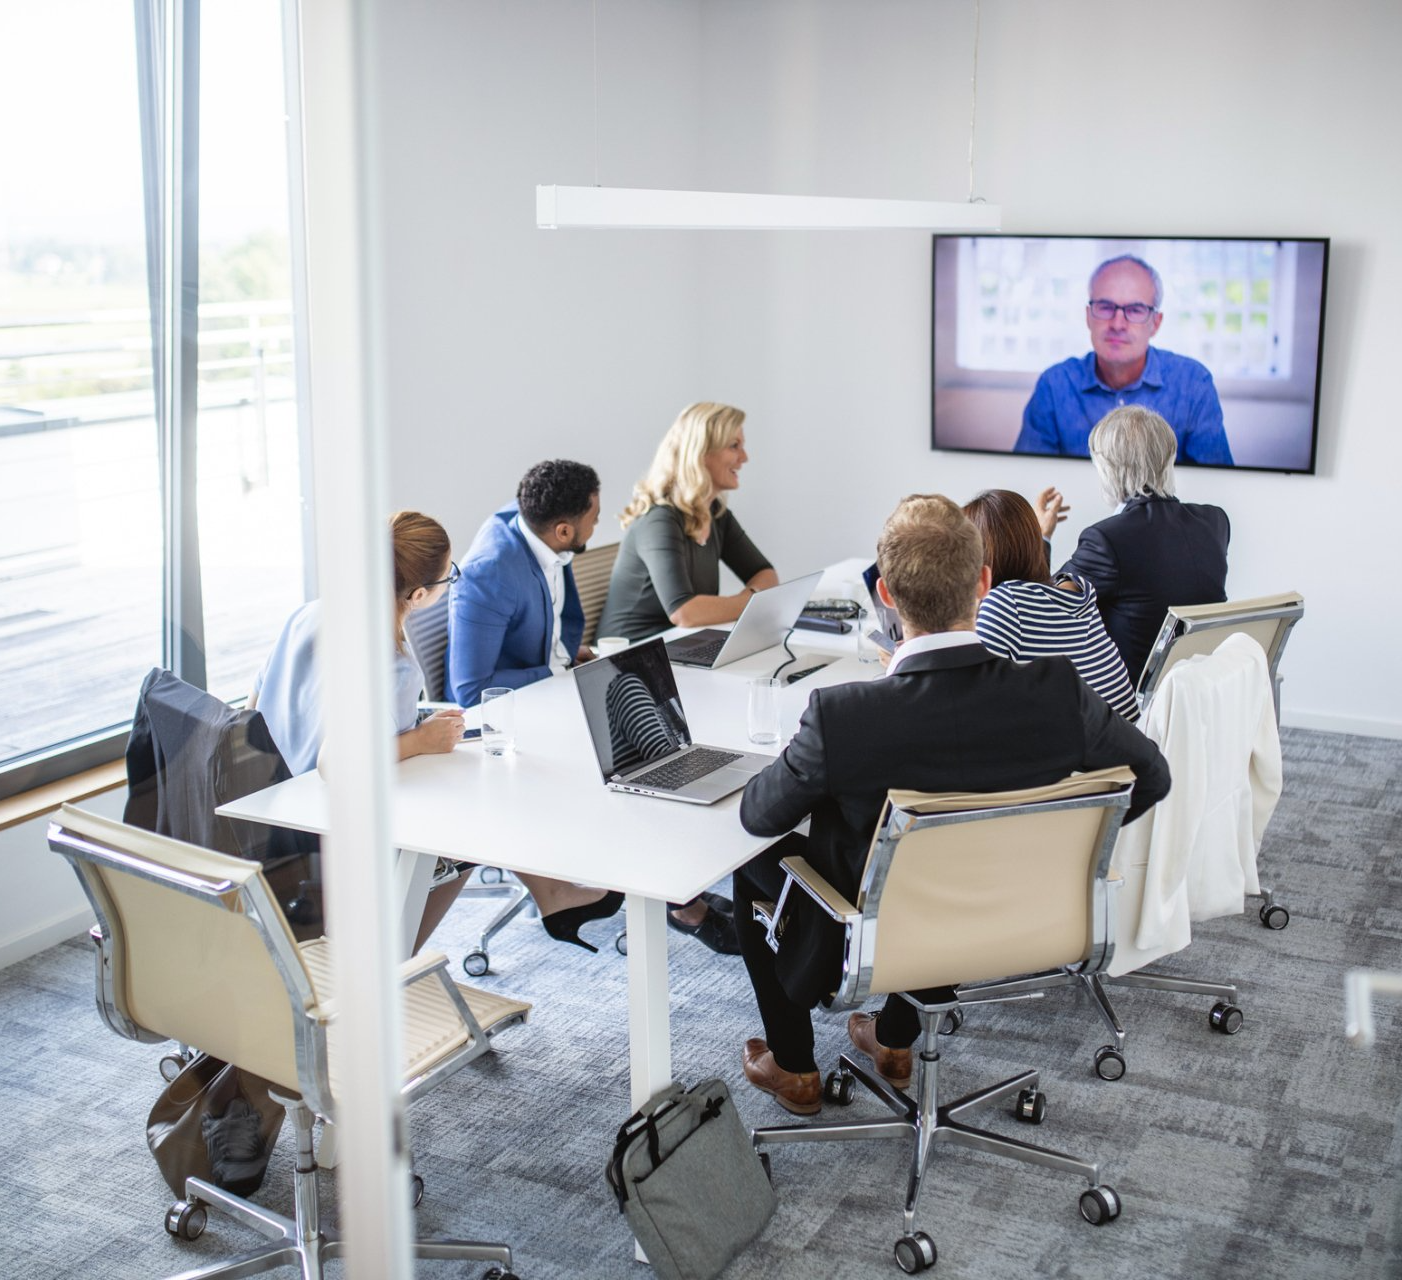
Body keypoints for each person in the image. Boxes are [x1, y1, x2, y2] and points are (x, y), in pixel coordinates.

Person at [733, 494, 1170, 1115]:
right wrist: (1067, 858)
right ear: (984, 582)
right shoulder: (1056, 694)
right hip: (1015, 914)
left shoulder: (844, 717)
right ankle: (893, 1038)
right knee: (942, 868)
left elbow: (758, 816)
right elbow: (1152, 776)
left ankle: (796, 1066)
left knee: (754, 864)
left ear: (886, 594)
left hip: (878, 937)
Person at [252, 510, 622, 953]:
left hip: (275, 806)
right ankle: (392, 960)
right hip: (335, 829)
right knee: (474, 823)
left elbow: (255, 709)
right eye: (450, 576)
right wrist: (418, 740)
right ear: (419, 594)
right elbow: (336, 763)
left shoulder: (309, 615)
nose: (452, 583)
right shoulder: (391, 666)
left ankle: (554, 897)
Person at [1048, 405, 1231, 685]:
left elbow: (1047, 608)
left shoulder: (1106, 539)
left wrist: (1041, 536)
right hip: (1199, 692)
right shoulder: (1215, 522)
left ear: (1109, 469)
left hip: (1127, 701)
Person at [1015, 254, 1234, 465]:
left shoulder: (1193, 384)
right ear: (1088, 316)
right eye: (1105, 307)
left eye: (1135, 310)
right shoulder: (1054, 385)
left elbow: (1215, 483)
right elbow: (1029, 478)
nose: (1117, 324)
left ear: (1156, 323)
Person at [597, 401, 779, 642]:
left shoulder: (716, 513)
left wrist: (749, 599)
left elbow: (765, 573)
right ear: (701, 453)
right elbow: (685, 612)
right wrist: (753, 602)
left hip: (682, 642)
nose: (744, 458)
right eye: (734, 446)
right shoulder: (659, 520)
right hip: (634, 652)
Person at [963, 489, 1138, 721]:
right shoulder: (1077, 592)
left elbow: (968, 699)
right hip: (1127, 738)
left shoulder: (1004, 604)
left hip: (1085, 743)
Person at [448, 459, 600, 709]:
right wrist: (559, 669)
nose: (596, 524)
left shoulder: (539, 520)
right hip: (508, 711)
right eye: (594, 519)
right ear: (563, 532)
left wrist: (564, 653)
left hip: (551, 683)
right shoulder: (488, 574)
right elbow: (472, 690)